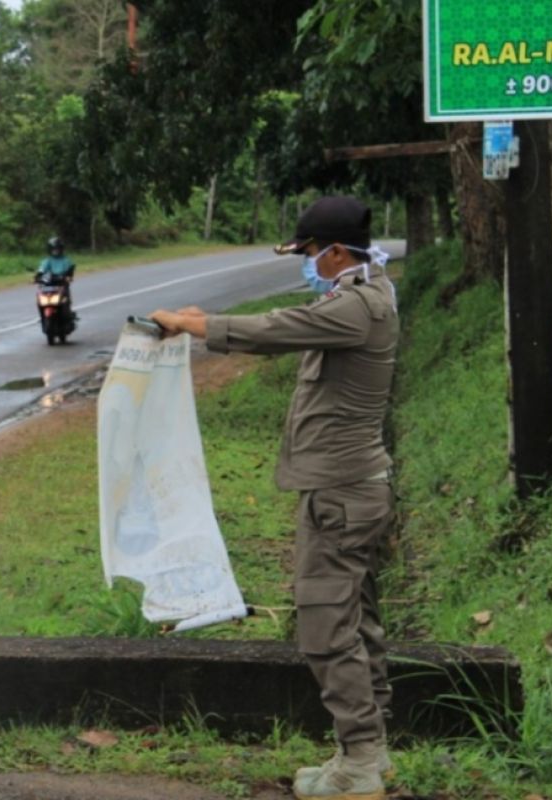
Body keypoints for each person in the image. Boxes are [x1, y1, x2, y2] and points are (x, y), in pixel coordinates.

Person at [150, 196, 398, 800]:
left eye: (311, 253)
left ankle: (361, 763)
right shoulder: (368, 295)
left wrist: (197, 325)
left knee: (324, 629)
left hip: (340, 494)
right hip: (348, 489)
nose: (308, 263)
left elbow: (274, 329)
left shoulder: (356, 308)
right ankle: (367, 752)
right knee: (355, 623)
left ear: (337, 252)